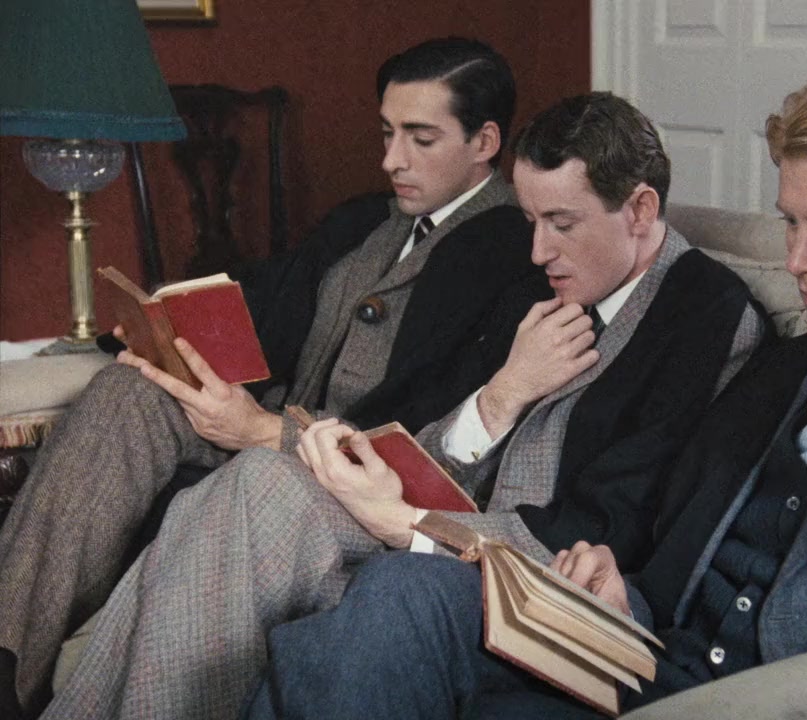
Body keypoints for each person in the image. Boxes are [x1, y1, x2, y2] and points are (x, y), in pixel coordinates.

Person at [240, 61, 807, 720]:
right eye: (791, 223)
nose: (799, 262)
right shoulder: (792, 365)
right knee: (392, 601)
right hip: (648, 662)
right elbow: (675, 551)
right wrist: (623, 592)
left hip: (774, 695)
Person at [41, 91, 766, 720]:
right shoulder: (544, 282)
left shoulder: (707, 316)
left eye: (562, 223)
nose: (539, 250)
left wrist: (410, 523)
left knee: (265, 492)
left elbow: (612, 527)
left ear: (640, 209)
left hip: (506, 572)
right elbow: (433, 432)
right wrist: (501, 396)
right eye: (531, 220)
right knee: (238, 487)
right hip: (425, 511)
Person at [0, 36, 537, 719]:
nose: (391, 160)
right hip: (277, 421)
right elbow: (267, 304)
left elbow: (437, 445)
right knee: (128, 392)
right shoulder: (365, 221)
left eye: (420, 139)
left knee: (254, 470)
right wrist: (161, 334)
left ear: (485, 141)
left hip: (349, 479)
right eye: (387, 133)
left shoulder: (518, 255)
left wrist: (266, 432)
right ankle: (7, 664)